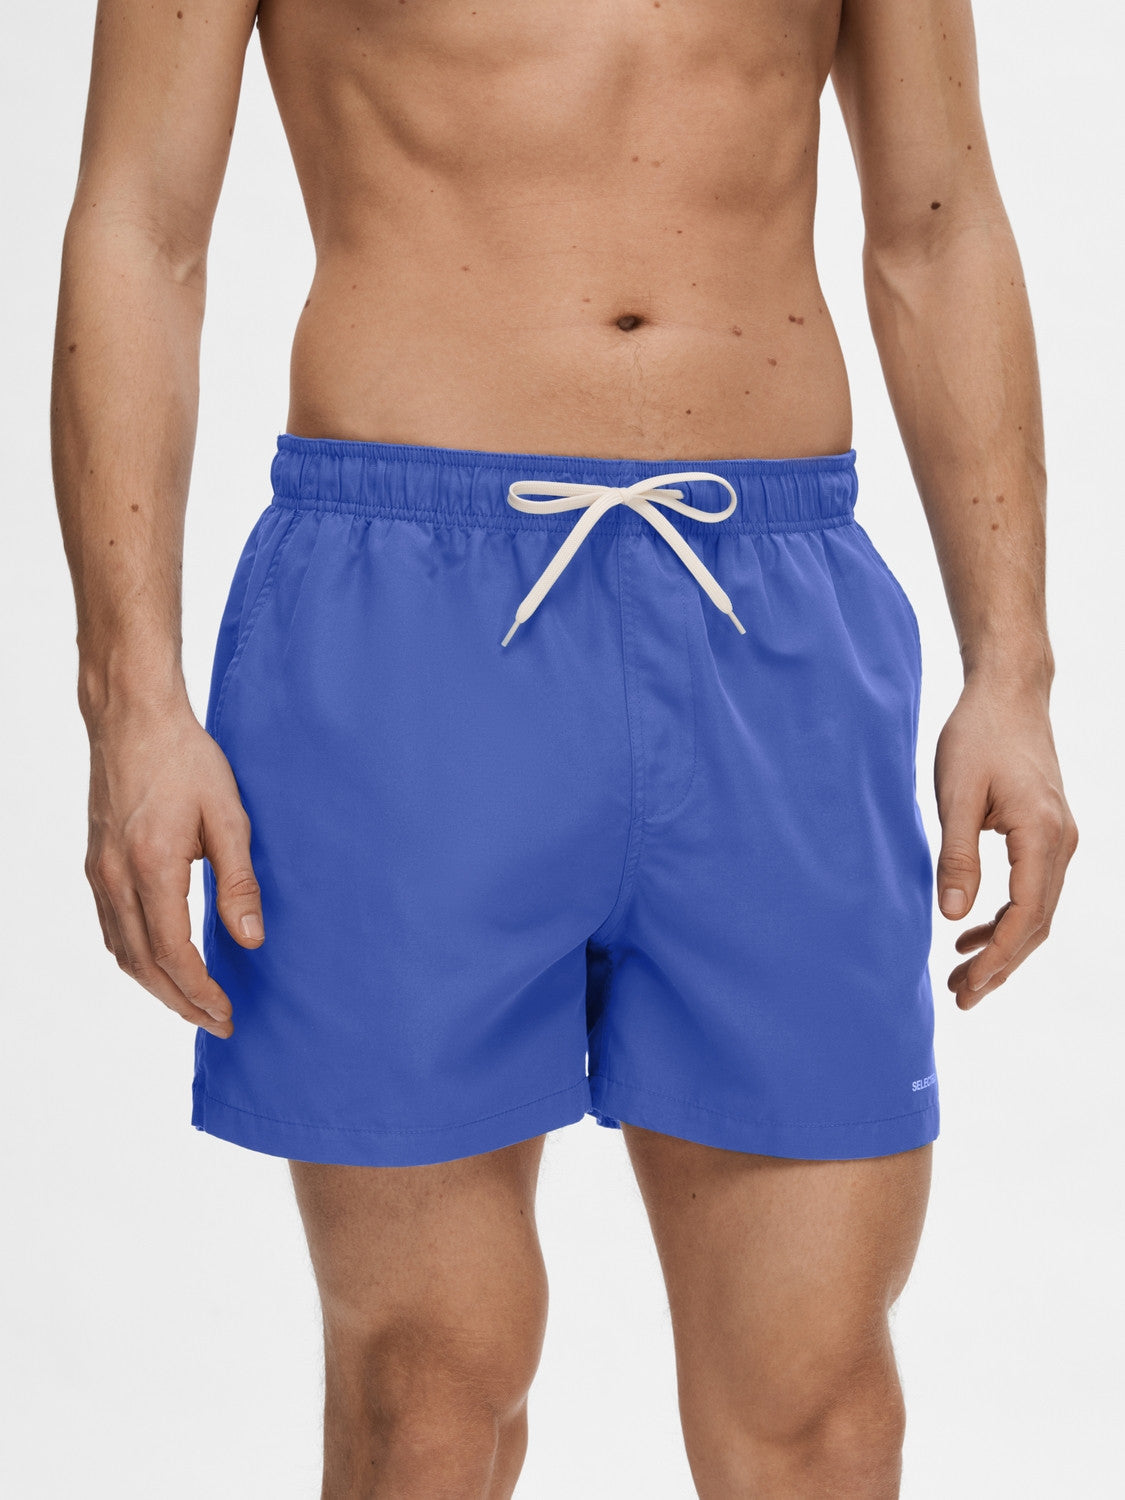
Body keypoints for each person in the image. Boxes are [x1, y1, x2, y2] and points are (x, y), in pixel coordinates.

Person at [51, 2, 1077, 1495]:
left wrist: (1013, 671)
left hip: (770, 610)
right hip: (400, 615)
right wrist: (130, 699)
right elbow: (140, 224)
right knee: (427, 1395)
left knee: (817, 1404)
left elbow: (938, 225)